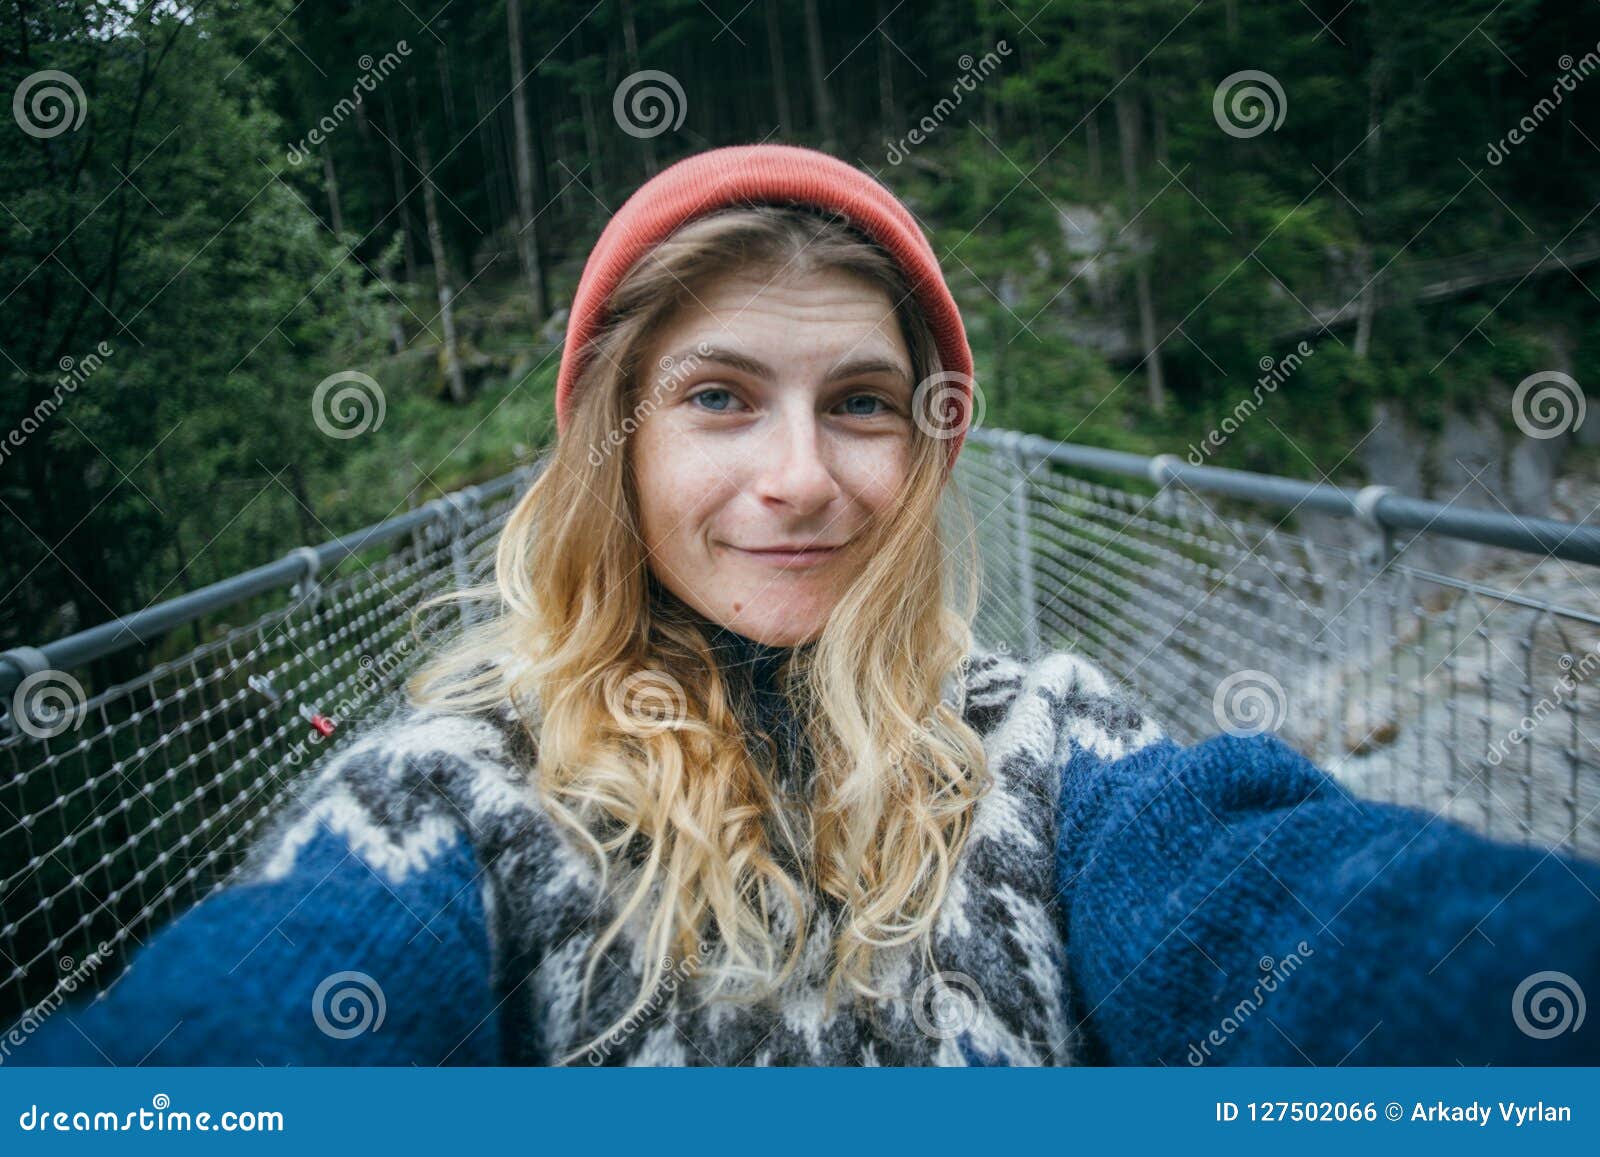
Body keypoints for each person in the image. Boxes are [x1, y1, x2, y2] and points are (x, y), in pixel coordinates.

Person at [13, 144, 1599, 1068]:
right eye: (717, 397)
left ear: (928, 442)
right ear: (612, 448)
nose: (800, 480)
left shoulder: (1048, 746)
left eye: (860, 402)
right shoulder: (465, 792)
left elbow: (1295, 903)